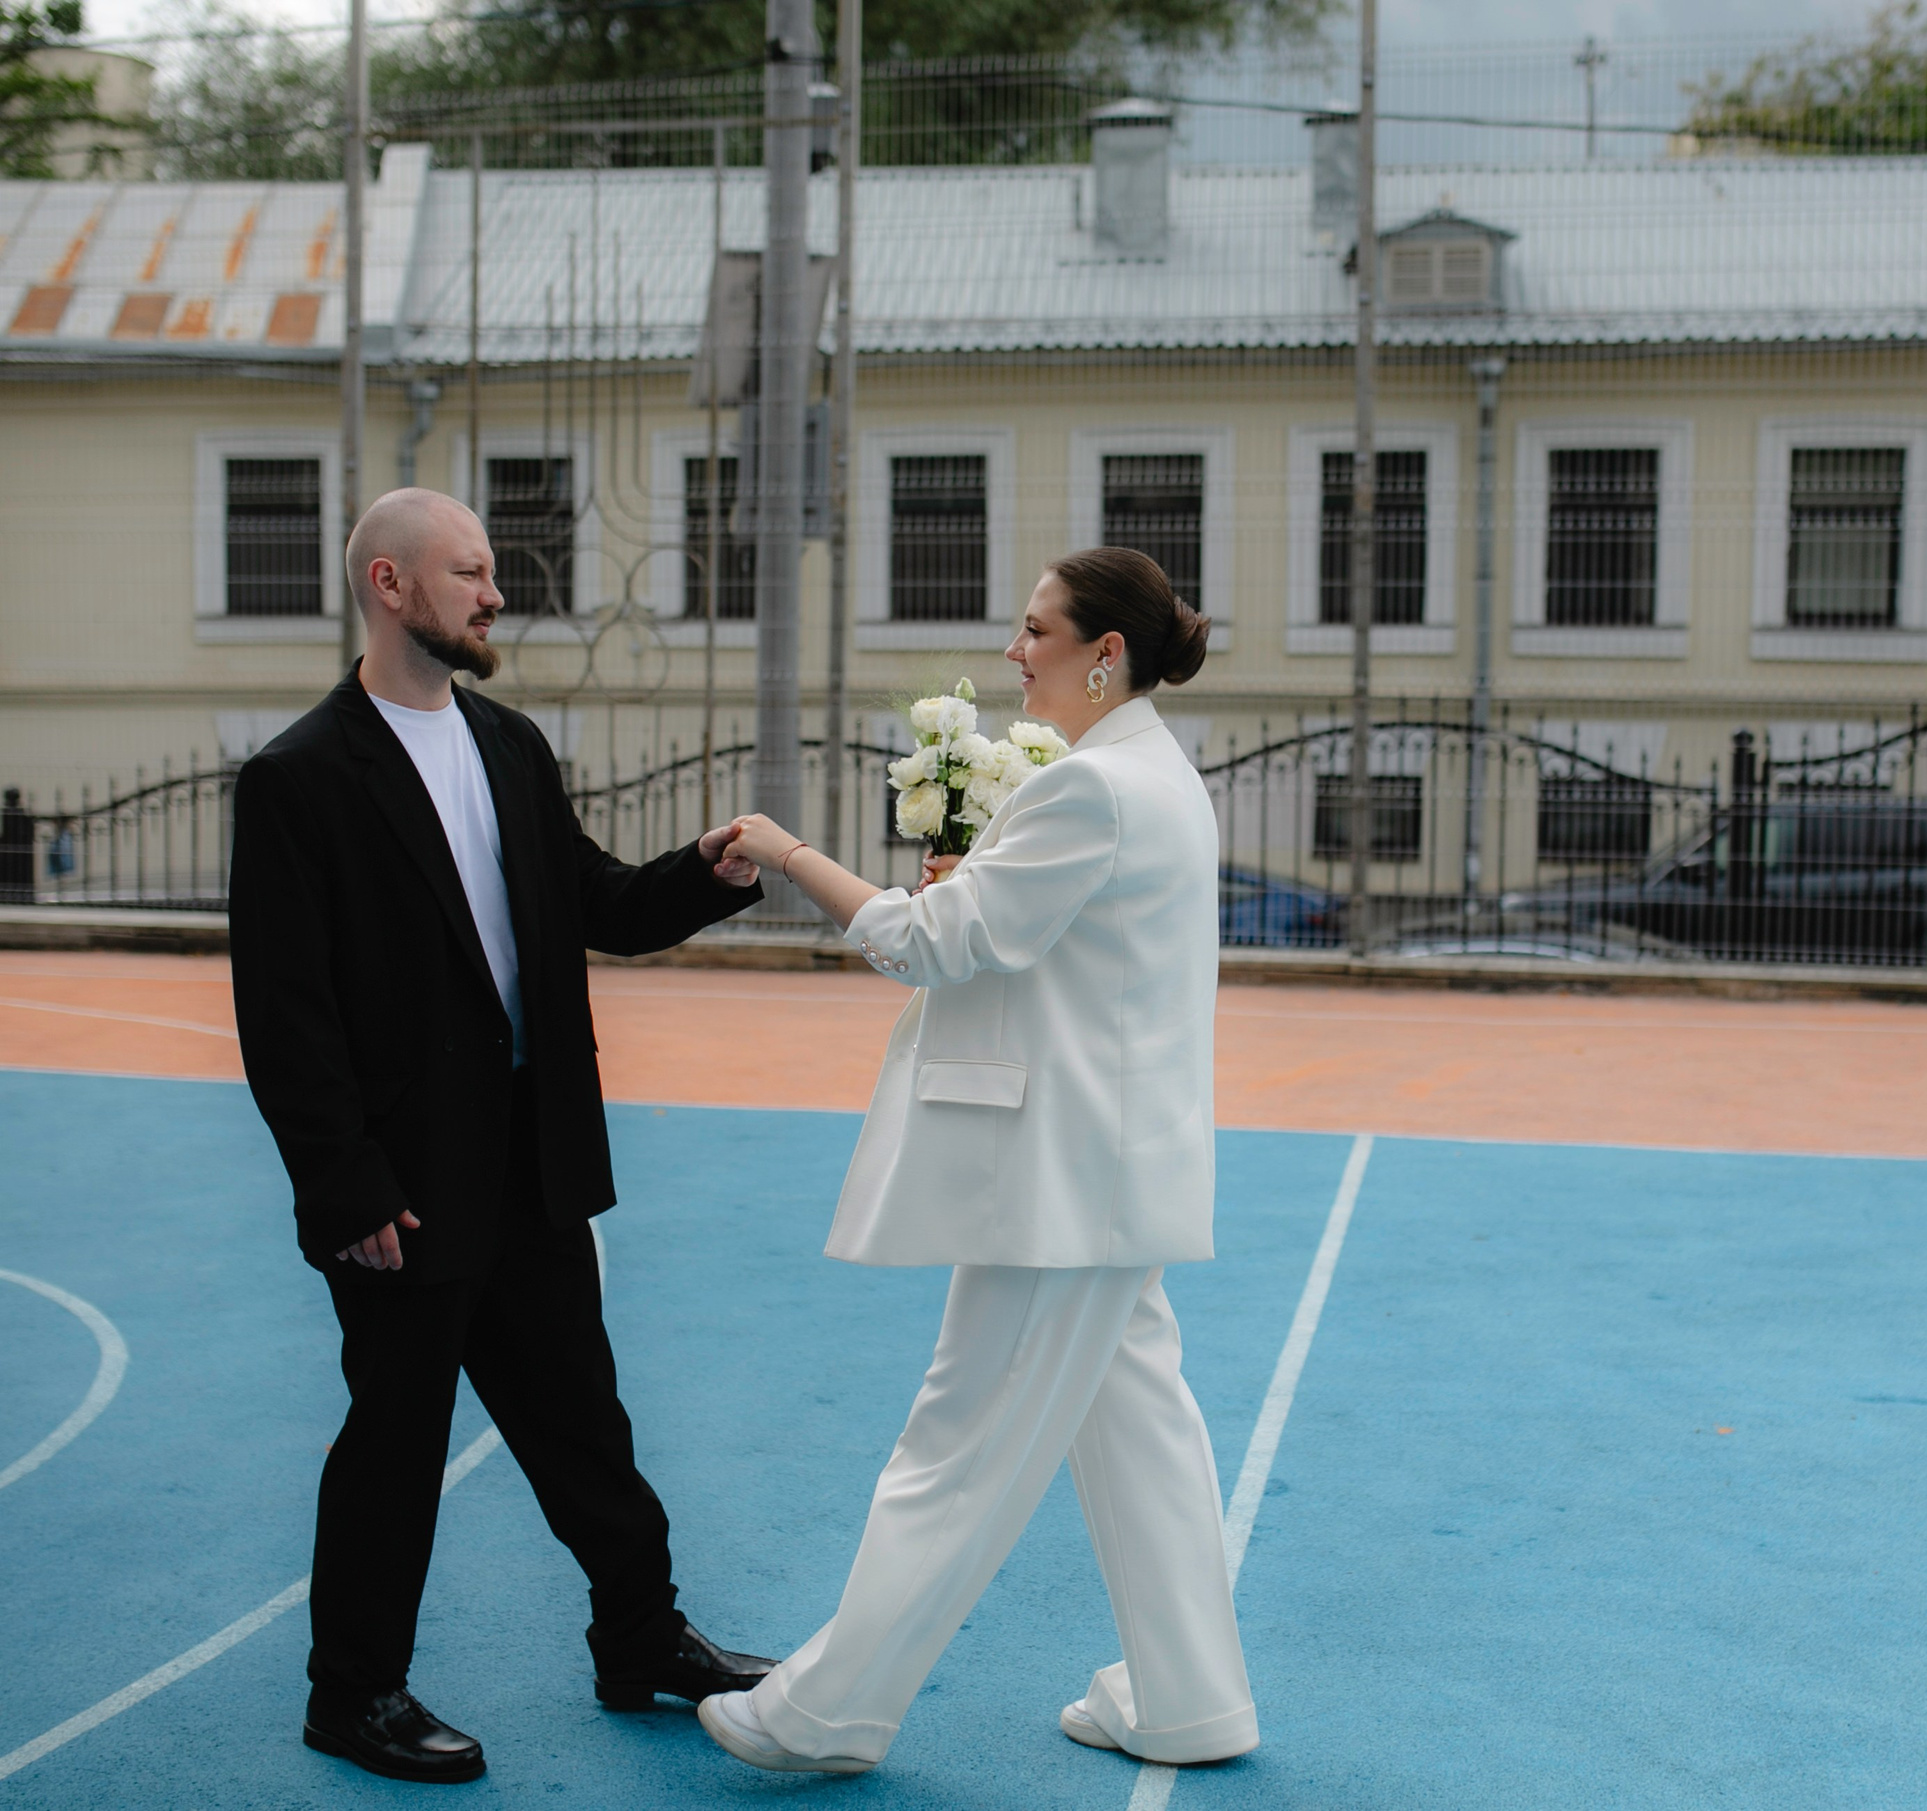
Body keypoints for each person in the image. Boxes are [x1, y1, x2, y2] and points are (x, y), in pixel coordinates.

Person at [228, 488, 776, 1786]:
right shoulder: (299, 777)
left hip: (532, 1169)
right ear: (388, 582)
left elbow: (596, 904)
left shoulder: (511, 748)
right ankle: (351, 1693)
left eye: (490, 573)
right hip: (401, 1194)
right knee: (397, 1443)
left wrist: (702, 870)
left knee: (585, 1420)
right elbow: (284, 1012)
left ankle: (638, 1636)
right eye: (469, 571)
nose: (492, 592)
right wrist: (344, 1187)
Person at [694, 547, 1255, 1777]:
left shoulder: (1092, 788)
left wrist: (790, 855)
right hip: (1113, 1172)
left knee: (958, 1440)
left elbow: (930, 943)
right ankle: (1189, 1697)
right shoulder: (1149, 770)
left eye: (1036, 628)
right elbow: (1039, 944)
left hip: (1063, 1183)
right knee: (1142, 1433)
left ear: (1104, 654)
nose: (1015, 650)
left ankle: (827, 1710)